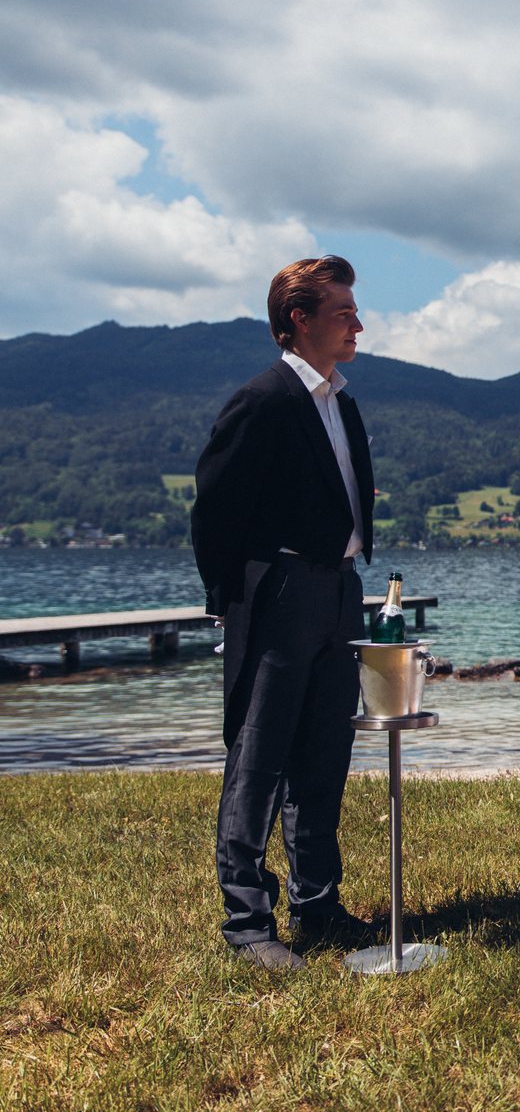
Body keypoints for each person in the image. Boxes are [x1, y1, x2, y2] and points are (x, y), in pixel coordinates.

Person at [190, 256, 378, 970]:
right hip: (278, 593)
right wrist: (233, 603)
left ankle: (318, 906)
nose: (357, 324)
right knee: (260, 756)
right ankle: (247, 924)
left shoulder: (343, 402)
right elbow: (215, 510)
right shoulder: (264, 400)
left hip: (338, 591)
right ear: (299, 320)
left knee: (325, 753)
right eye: (343, 313)